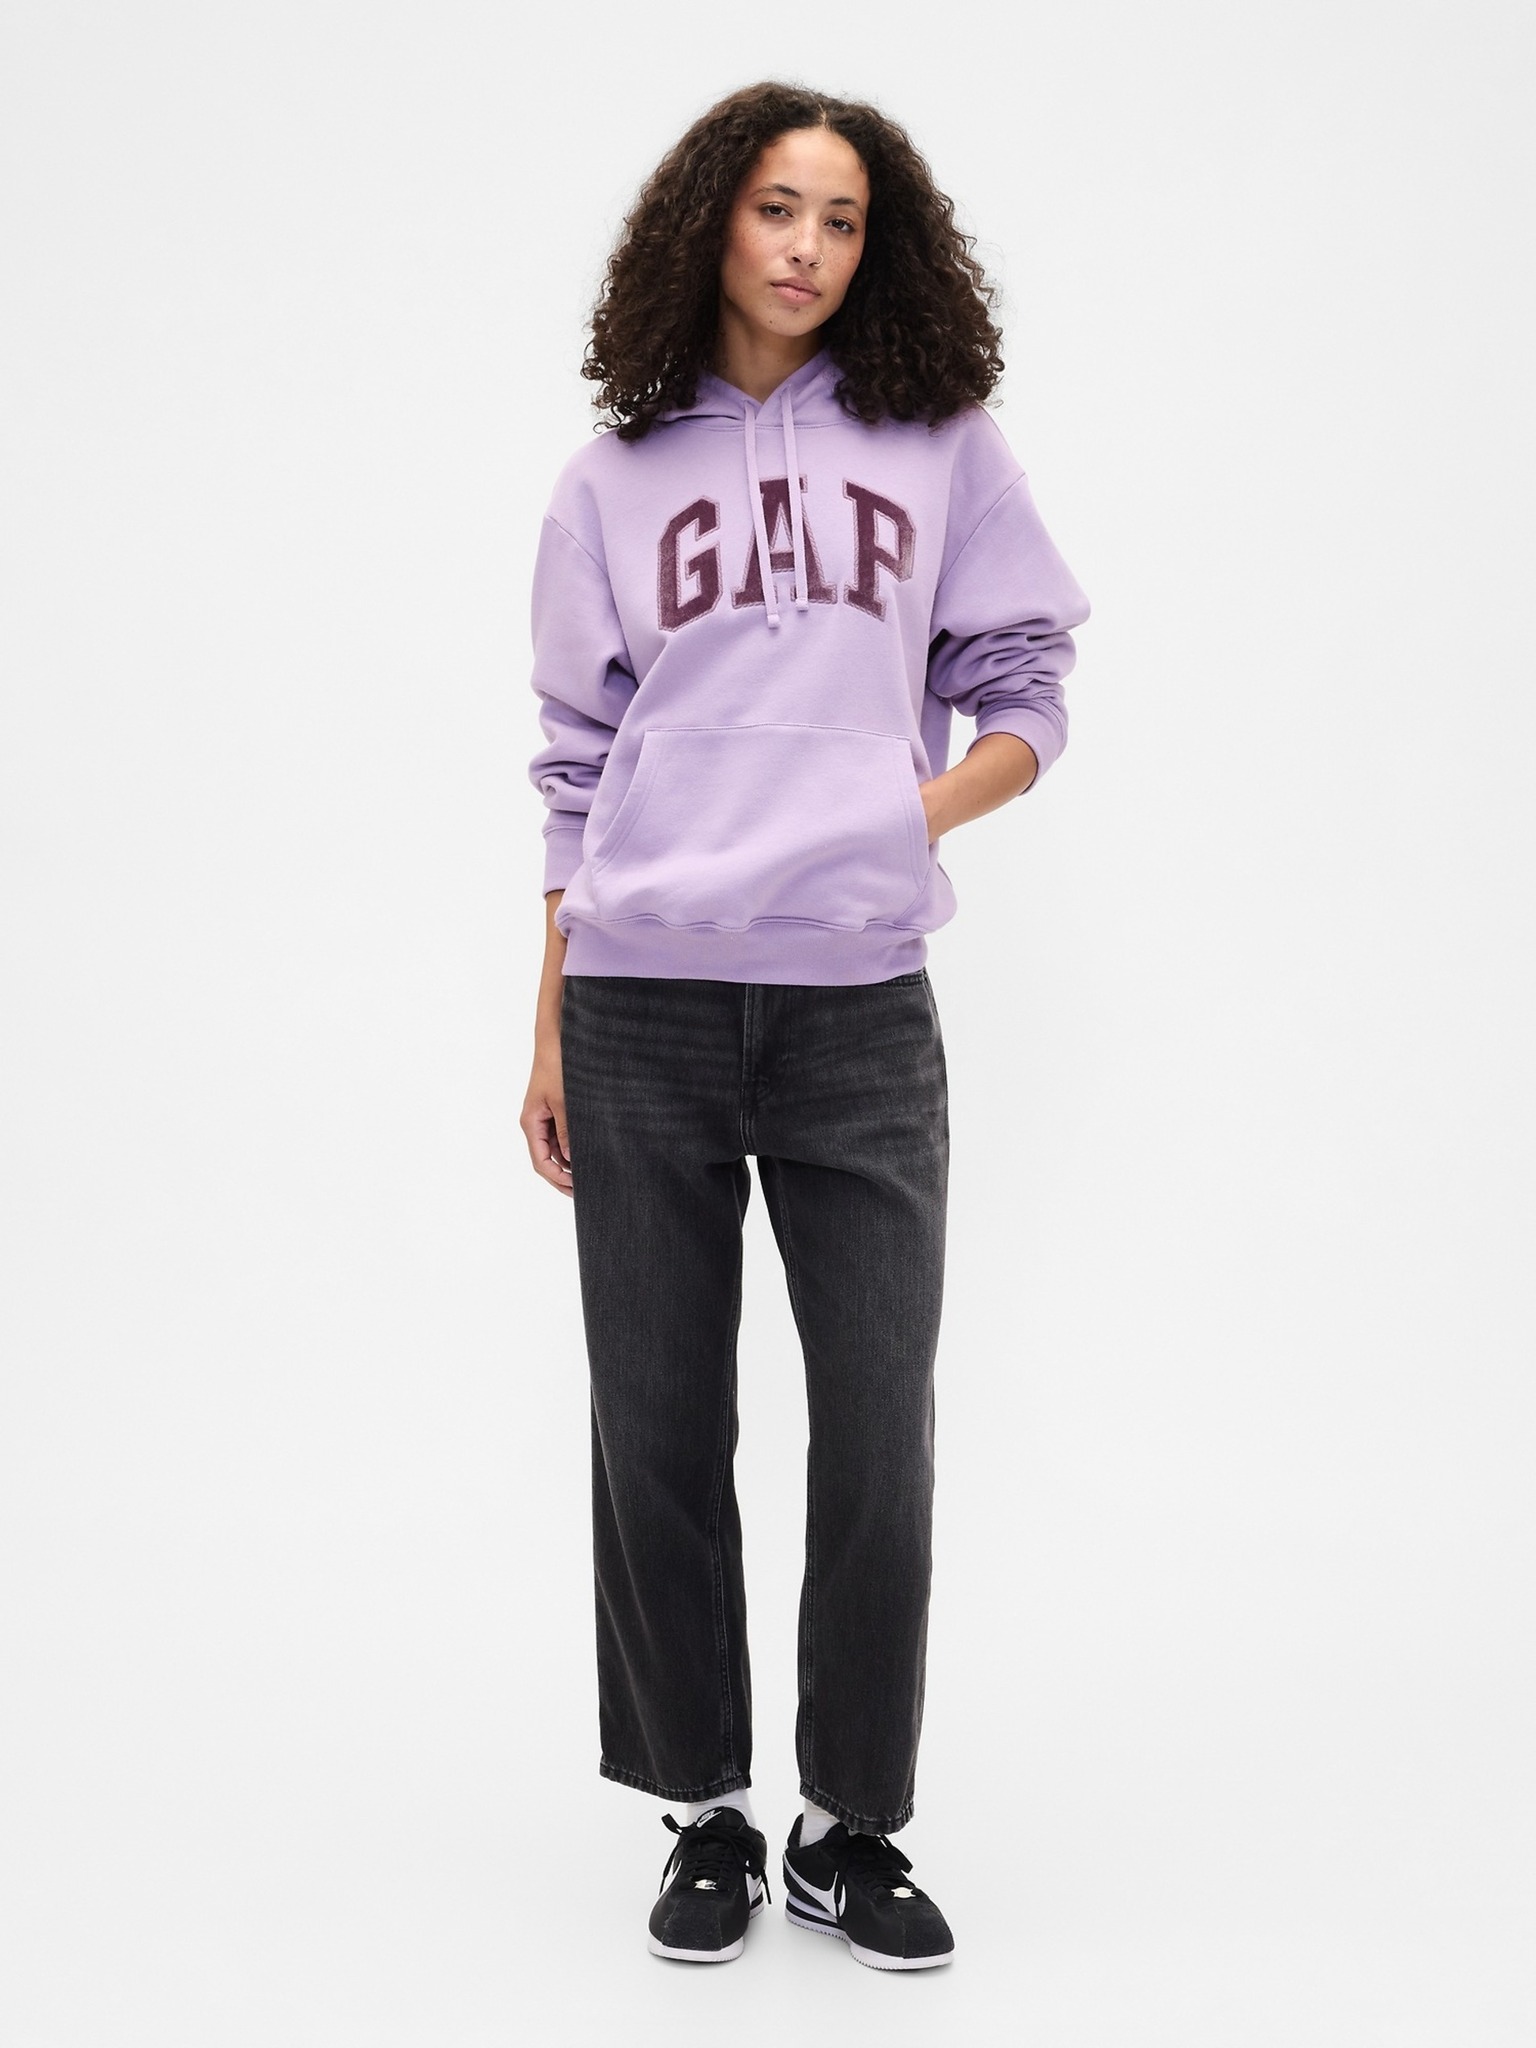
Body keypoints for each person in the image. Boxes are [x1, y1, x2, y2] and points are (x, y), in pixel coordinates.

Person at [520, 79, 1090, 1972]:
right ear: (712, 221)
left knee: (878, 1429)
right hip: (642, 1005)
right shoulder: (609, 483)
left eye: (843, 220)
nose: (808, 249)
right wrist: (547, 1029)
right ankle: (705, 1807)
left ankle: (853, 1826)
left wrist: (902, 816)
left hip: (857, 1009)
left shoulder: (940, 449)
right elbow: (573, 770)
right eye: (779, 207)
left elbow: (1026, 687)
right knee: (657, 1424)